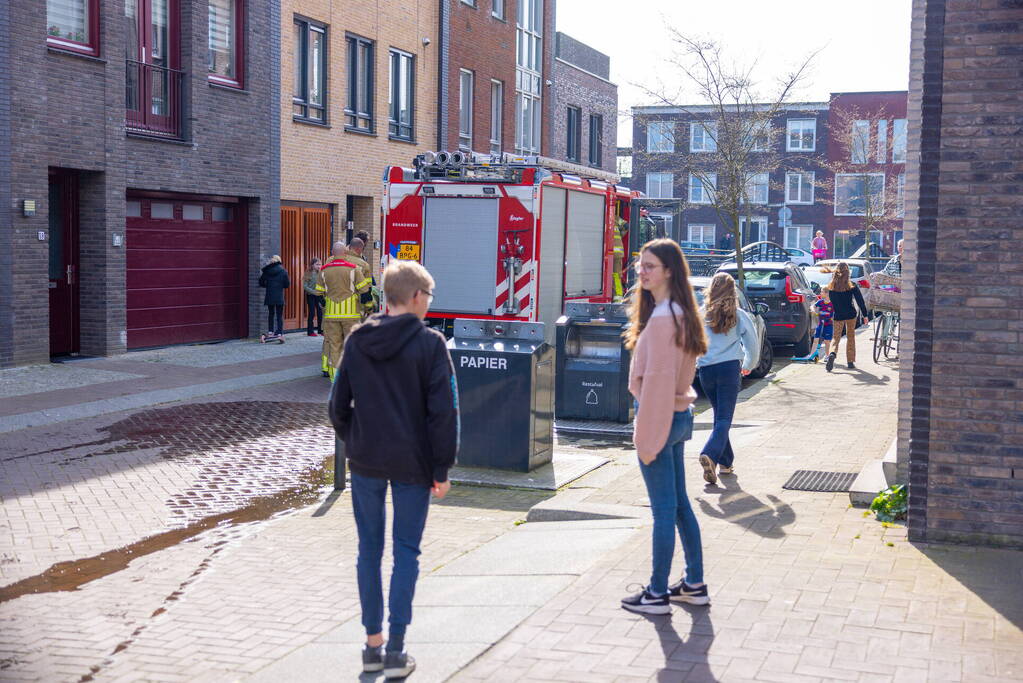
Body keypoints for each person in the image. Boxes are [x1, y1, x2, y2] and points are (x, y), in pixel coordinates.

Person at [329, 259, 458, 680]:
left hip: (366, 460)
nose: (429, 303)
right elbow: (444, 413)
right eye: (429, 296)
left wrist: (356, 438)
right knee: (406, 552)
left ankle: (372, 646)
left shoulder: (357, 339)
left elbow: (337, 404)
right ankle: (398, 650)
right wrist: (441, 468)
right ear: (416, 296)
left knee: (368, 551)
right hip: (413, 464)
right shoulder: (431, 344)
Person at [621, 239, 710, 615]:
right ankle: (694, 584)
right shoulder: (681, 313)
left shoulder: (660, 320)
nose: (642, 272)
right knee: (679, 506)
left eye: (650, 266)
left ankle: (657, 593)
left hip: (660, 419)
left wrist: (645, 439)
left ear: (669, 271)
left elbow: (656, 385)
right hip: (679, 416)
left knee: (663, 511)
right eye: (640, 265)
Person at [695, 272, 760, 485]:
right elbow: (752, 344)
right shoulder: (739, 315)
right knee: (724, 419)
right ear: (732, 291)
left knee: (719, 417)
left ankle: (725, 463)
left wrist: (696, 363)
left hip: (706, 371)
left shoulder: (701, 314)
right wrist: (749, 365)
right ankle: (709, 454)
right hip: (729, 369)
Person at [317, 242, 372, 380]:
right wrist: (369, 307)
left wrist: (326, 305)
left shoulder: (324, 270)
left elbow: (318, 294)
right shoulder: (354, 269)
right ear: (345, 253)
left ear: (332, 253)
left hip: (331, 315)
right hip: (351, 315)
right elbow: (365, 292)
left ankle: (335, 379)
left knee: (334, 346)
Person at [824, 262, 870, 372]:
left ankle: (832, 354)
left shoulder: (831, 286)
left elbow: (832, 302)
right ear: (848, 272)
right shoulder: (851, 285)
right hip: (851, 315)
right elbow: (860, 301)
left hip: (838, 315)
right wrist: (865, 315)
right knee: (850, 337)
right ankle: (850, 362)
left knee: (836, 337)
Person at [258, 255, 290, 342]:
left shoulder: (267, 271)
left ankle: (270, 332)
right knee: (279, 315)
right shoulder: (283, 271)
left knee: (271, 314)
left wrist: (268, 285)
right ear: (279, 261)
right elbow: (287, 284)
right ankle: (279, 333)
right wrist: (280, 285)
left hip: (270, 295)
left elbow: (261, 282)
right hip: (279, 296)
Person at [302, 258, 324, 337]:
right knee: (311, 313)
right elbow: (305, 286)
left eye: (320, 264)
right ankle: (310, 331)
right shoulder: (308, 273)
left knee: (320, 313)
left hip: (320, 296)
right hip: (311, 295)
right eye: (317, 264)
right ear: (312, 265)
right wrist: (313, 292)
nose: (319, 266)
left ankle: (321, 330)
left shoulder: (321, 273)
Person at [812, 285, 835, 359]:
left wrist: (833, 317)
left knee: (827, 341)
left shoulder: (832, 303)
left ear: (827, 293)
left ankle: (827, 356)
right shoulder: (820, 302)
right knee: (815, 340)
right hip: (820, 324)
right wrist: (814, 311)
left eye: (822, 292)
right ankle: (812, 355)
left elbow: (836, 312)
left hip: (828, 325)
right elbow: (813, 306)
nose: (820, 293)